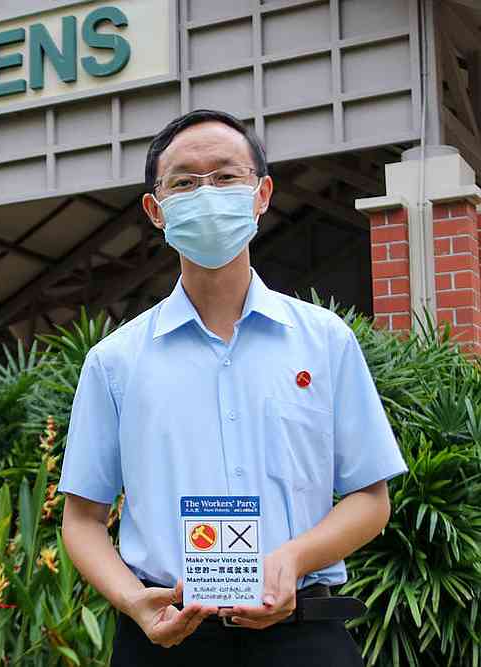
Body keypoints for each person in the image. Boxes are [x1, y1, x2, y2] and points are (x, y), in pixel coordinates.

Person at [58, 109, 407, 666]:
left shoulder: (324, 341)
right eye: (185, 182)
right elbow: (82, 519)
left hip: (304, 638)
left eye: (225, 177)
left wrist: (293, 557)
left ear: (262, 194)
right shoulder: (114, 362)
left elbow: (370, 499)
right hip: (168, 637)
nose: (207, 193)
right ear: (156, 209)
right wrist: (132, 601)